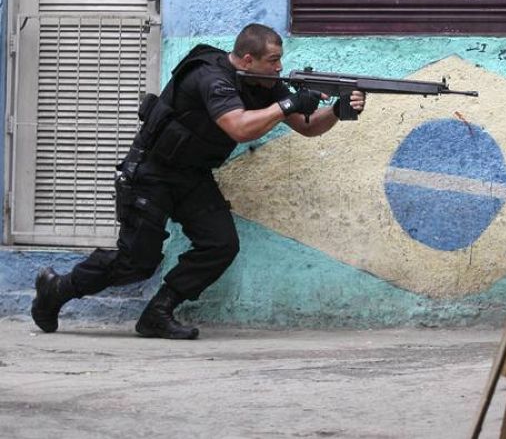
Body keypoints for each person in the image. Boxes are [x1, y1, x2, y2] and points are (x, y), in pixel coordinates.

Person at [30, 23, 366, 340]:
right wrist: (289, 102)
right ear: (249, 59)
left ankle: (157, 314)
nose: (279, 68)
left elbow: (307, 127)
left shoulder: (264, 84)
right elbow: (239, 127)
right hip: (152, 173)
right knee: (136, 263)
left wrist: (338, 109)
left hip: (192, 176)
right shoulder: (211, 77)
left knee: (220, 244)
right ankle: (56, 289)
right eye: (273, 61)